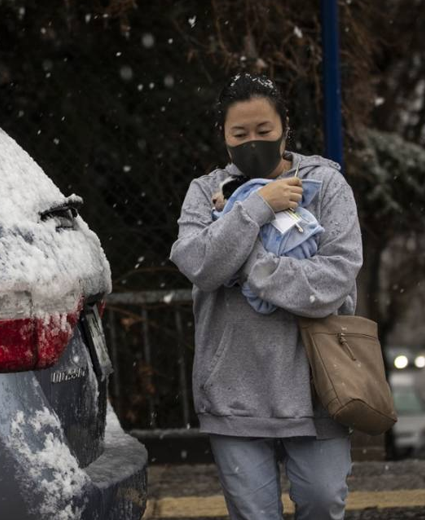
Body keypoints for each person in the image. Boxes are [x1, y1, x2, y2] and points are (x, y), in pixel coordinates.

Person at [169, 73, 363, 520]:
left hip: (319, 384)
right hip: (234, 386)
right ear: (223, 135)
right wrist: (258, 206)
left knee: (322, 500)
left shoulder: (326, 186)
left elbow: (333, 281)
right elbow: (198, 263)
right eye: (239, 134)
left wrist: (250, 266)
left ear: (284, 127)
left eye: (263, 131)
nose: (251, 141)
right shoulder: (204, 192)